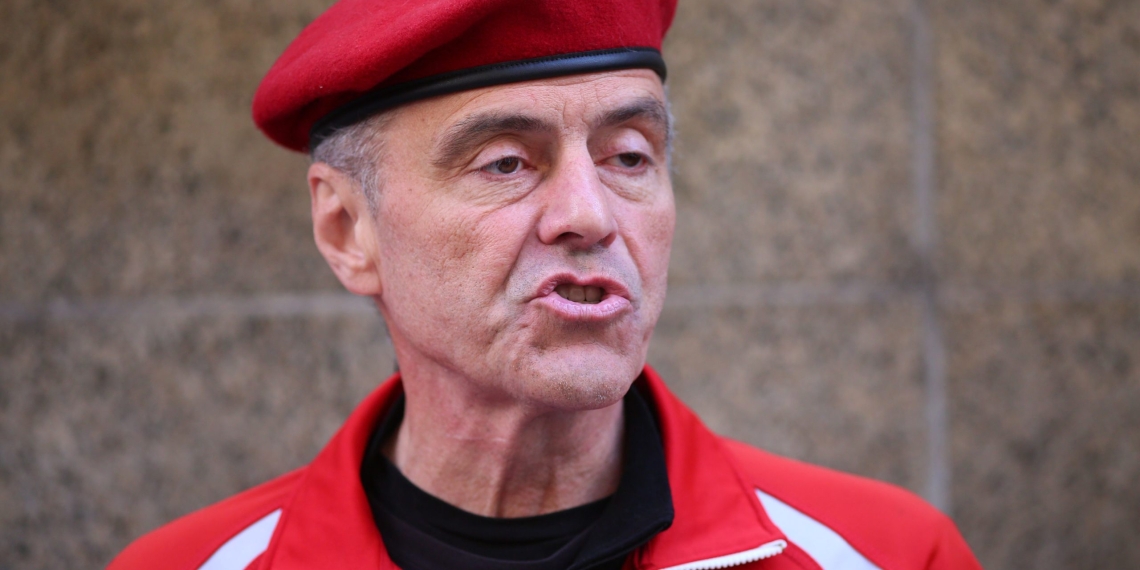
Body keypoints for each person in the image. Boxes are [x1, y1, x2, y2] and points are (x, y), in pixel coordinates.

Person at [109, 1, 982, 569]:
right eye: (505, 163)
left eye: (629, 156)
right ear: (348, 229)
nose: (590, 215)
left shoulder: (884, 553)